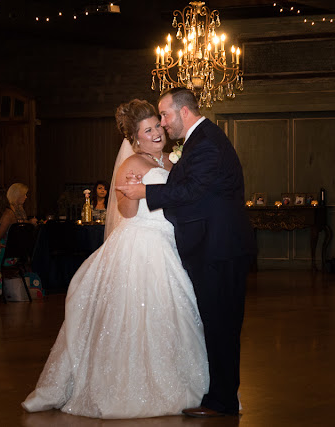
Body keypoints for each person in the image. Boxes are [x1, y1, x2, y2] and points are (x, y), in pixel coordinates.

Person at [22, 99, 208, 418]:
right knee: (136, 316)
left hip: (170, 243)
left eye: (158, 126)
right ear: (136, 138)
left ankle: (183, 381)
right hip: (141, 244)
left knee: (176, 313)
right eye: (148, 130)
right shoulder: (131, 165)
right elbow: (126, 213)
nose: (157, 133)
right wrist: (132, 193)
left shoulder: (172, 160)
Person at [117, 88, 256, 418]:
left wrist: (144, 191)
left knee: (221, 324)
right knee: (217, 324)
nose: (163, 124)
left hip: (218, 248)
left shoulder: (205, 143)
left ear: (183, 112)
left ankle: (221, 400)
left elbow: (191, 190)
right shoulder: (200, 140)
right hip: (214, 246)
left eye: (164, 116)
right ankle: (220, 395)